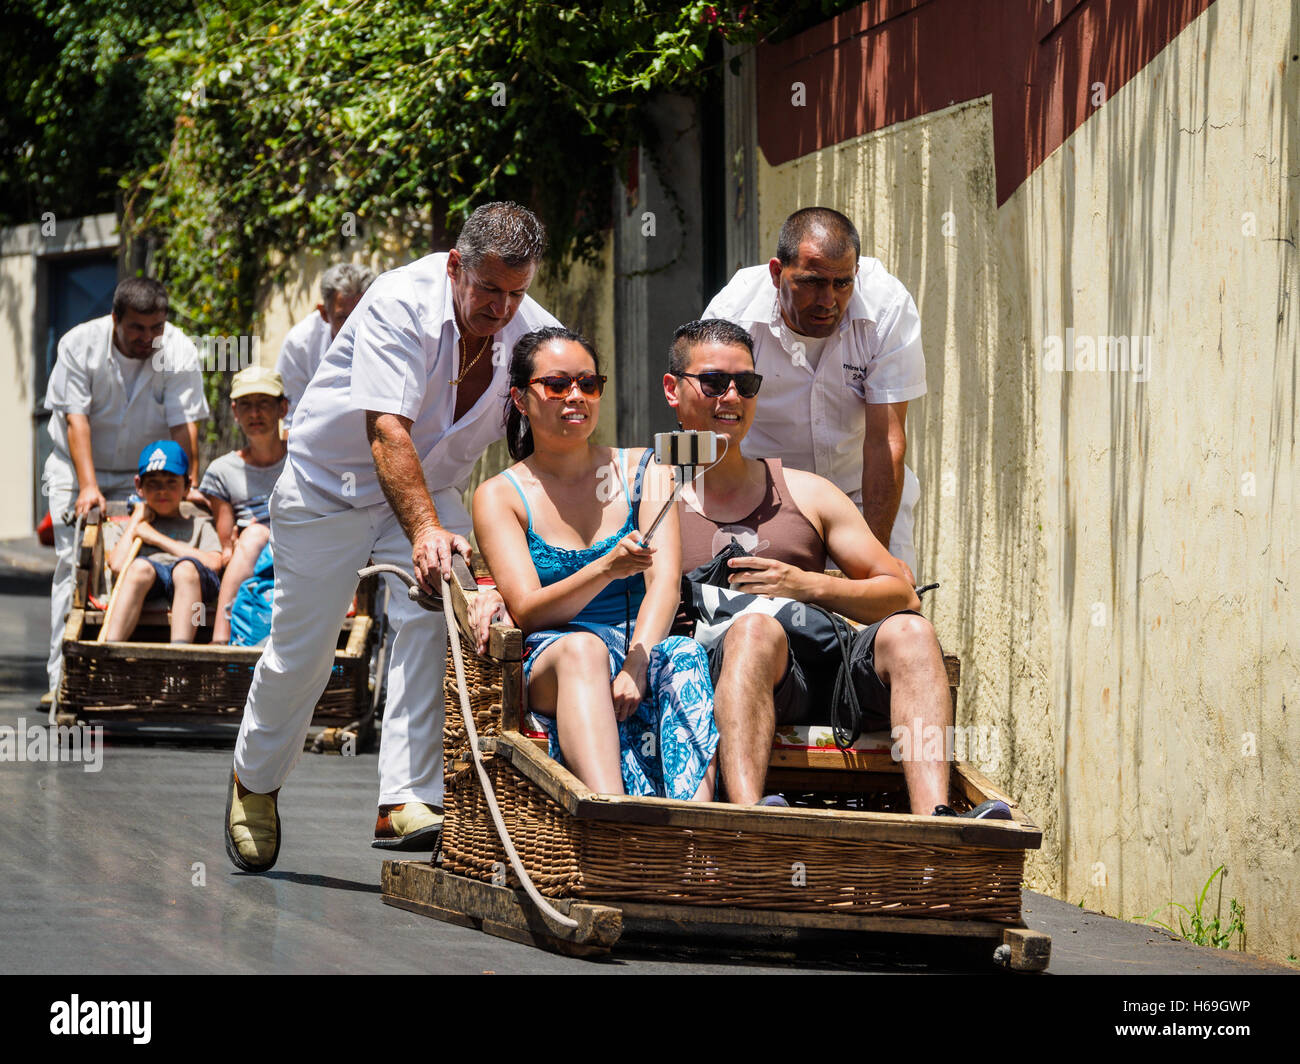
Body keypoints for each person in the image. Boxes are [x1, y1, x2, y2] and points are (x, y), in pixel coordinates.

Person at [226, 202, 558, 873]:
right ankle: (253, 782)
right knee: (305, 653)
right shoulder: (399, 301)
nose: (501, 309)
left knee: (436, 623)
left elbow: (550, 432)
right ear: (456, 266)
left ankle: (406, 797)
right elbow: (387, 432)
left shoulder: (536, 332)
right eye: (488, 290)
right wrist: (427, 532)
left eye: (516, 293)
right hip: (331, 489)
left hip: (431, 488)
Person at [664, 319, 1006, 818]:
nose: (731, 397)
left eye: (747, 384)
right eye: (715, 383)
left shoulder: (805, 491)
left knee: (911, 632)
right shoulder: (651, 492)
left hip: (827, 672)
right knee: (755, 631)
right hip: (729, 673)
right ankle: (750, 817)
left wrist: (806, 584)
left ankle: (937, 818)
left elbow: (900, 594)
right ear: (674, 389)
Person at [473, 327, 717, 800]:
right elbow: (528, 611)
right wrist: (605, 569)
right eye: (557, 384)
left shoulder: (647, 469)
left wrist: (636, 667)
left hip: (635, 645)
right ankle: (609, 813)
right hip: (552, 655)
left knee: (684, 654)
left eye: (588, 384)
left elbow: (664, 584)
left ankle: (694, 831)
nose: (576, 396)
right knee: (584, 650)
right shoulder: (501, 495)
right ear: (522, 399)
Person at [702, 207, 926, 577]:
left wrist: (873, 565)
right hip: (764, 498)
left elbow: (885, 439)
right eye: (811, 282)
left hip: (861, 493)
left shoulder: (887, 307)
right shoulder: (733, 314)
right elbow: (706, 421)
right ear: (777, 273)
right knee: (769, 624)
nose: (827, 300)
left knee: (889, 618)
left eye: (842, 284)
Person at [42, 277, 209, 697]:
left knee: (150, 563)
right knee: (77, 564)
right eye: (137, 328)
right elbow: (74, 418)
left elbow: (183, 423)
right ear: (116, 318)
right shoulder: (79, 344)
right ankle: (64, 679)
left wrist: (186, 485)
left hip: (147, 475)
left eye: (156, 328)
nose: (148, 338)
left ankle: (136, 675)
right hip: (78, 468)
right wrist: (88, 487)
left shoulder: (178, 350)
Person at [198, 365, 289, 645]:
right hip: (253, 557)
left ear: (282, 408)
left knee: (255, 533)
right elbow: (227, 545)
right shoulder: (222, 471)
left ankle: (220, 640)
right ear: (235, 412)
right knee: (254, 535)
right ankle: (220, 642)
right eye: (246, 406)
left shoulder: (303, 458)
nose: (255, 414)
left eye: (263, 404)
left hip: (302, 547)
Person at [102, 441, 223, 643]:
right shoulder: (134, 527)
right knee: (139, 567)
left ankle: (181, 651)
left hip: (195, 600)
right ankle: (110, 648)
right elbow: (117, 565)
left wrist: (156, 538)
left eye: (171, 483)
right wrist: (136, 519)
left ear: (187, 485)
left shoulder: (199, 525)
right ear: (139, 486)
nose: (162, 491)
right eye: (153, 484)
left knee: (185, 570)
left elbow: (214, 564)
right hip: (150, 583)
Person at [275, 262, 377, 429]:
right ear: (324, 313)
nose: (355, 326)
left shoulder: (395, 334)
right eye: (344, 318)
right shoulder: (300, 345)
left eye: (363, 315)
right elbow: (292, 423)